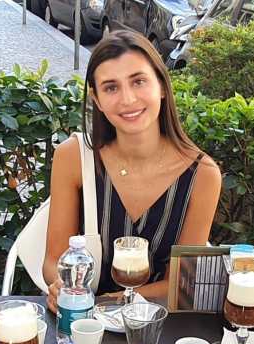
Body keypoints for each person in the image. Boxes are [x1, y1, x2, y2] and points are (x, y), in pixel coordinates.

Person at [42, 30, 222, 309]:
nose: (127, 99)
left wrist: (114, 303)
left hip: (160, 325)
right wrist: (65, 286)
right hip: (85, 320)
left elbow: (183, 279)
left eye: (138, 81)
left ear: (162, 85)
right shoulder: (74, 158)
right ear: (97, 99)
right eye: (111, 87)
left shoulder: (202, 174)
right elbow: (54, 260)